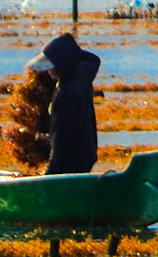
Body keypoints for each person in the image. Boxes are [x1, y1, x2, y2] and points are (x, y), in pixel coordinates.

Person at [24, 32, 101, 175]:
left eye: (52, 65)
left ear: (62, 65)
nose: (49, 71)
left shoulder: (64, 93)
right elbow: (93, 59)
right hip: (87, 157)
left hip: (70, 164)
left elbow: (61, 137)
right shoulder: (82, 76)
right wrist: (67, 49)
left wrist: (50, 173)